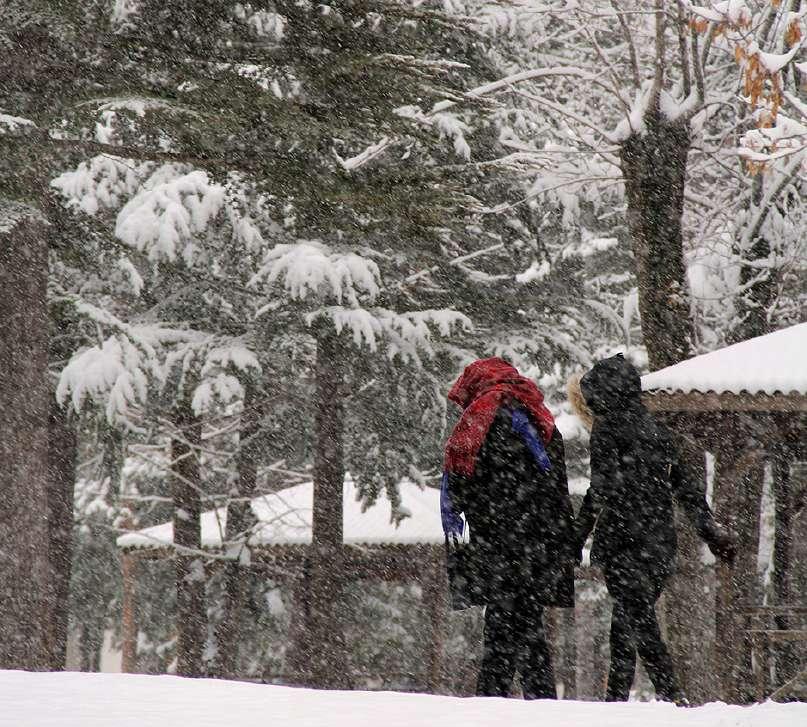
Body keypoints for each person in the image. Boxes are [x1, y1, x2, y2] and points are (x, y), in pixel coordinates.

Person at [571, 354, 736, 704]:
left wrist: (575, 537)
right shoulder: (655, 428)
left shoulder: (607, 428)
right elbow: (686, 487)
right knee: (627, 624)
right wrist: (708, 530)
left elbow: (601, 489)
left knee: (640, 624)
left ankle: (673, 698)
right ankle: (616, 703)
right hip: (659, 545)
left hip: (624, 542)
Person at [442, 357, 576, 699]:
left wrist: (474, 516)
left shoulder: (477, 423)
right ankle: (538, 702)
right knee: (526, 621)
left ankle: (493, 701)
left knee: (503, 625)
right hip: (538, 545)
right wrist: (561, 539)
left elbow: (462, 484)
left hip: (498, 543)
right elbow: (557, 487)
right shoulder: (542, 421)